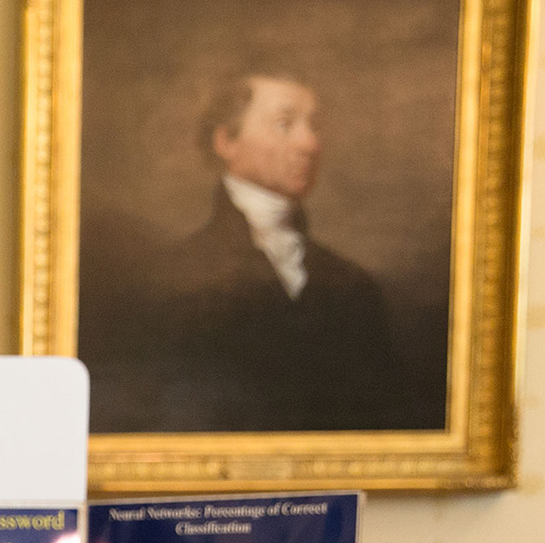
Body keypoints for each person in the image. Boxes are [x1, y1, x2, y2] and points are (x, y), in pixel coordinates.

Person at [90, 71, 410, 433]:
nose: (310, 144)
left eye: (313, 127)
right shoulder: (168, 281)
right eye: (285, 124)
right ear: (226, 142)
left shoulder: (353, 286)